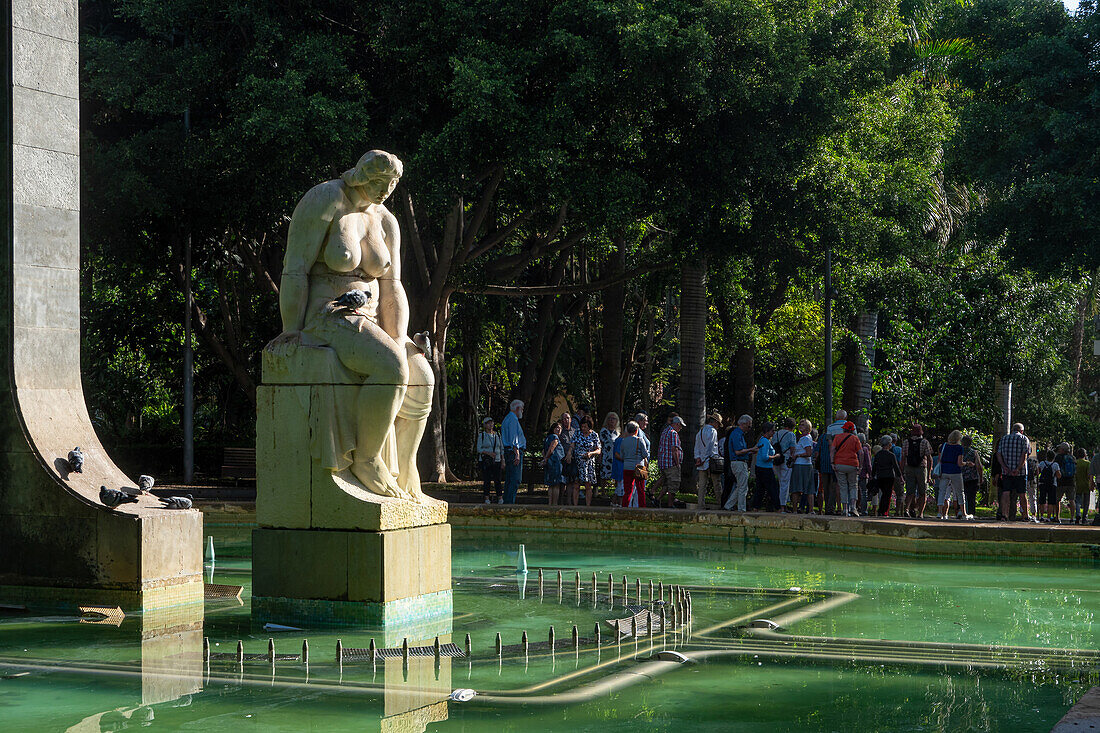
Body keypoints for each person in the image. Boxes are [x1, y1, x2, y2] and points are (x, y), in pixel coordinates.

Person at [723, 415, 756, 511]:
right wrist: (751, 449)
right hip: (739, 462)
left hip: (739, 462)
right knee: (743, 488)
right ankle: (742, 509)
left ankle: (728, 505)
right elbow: (738, 451)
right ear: (744, 424)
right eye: (749, 426)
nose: (749, 428)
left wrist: (750, 451)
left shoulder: (738, 434)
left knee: (740, 486)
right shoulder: (737, 434)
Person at [997, 423, 1030, 521]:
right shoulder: (1024, 439)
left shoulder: (1004, 439)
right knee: (1022, 493)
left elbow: (998, 454)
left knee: (1006, 492)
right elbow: (1024, 455)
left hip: (1006, 471)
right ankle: (1025, 515)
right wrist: (1018, 468)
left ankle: (1004, 514)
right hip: (1020, 472)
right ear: (1021, 431)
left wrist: (1004, 467)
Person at [901, 424, 933, 518]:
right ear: (921, 432)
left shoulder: (906, 442)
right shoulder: (924, 442)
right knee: (922, 492)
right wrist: (929, 474)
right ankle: (920, 513)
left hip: (909, 468)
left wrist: (902, 471)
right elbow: (929, 458)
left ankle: (907, 509)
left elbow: (903, 458)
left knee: (910, 491)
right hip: (921, 467)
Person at [936, 430, 969, 520]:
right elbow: (959, 463)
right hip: (955, 471)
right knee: (960, 492)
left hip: (944, 471)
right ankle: (964, 513)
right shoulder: (959, 448)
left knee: (942, 492)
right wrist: (966, 463)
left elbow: (940, 460)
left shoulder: (943, 446)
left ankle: (939, 512)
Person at [830, 421, 861, 516]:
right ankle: (853, 507)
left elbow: (832, 450)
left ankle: (845, 509)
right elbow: (861, 452)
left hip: (839, 464)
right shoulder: (855, 438)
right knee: (853, 485)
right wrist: (861, 465)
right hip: (852, 464)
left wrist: (832, 462)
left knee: (843, 486)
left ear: (843, 429)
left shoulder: (837, 437)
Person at [617, 421, 650, 507]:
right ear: (636, 430)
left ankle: (625, 507)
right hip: (639, 468)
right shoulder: (640, 440)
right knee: (640, 490)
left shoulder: (623, 441)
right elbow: (645, 454)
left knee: (628, 490)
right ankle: (642, 507)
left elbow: (622, 455)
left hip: (627, 468)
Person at [695, 411, 723, 509]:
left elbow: (697, 446)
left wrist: (698, 458)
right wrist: (704, 458)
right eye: (718, 424)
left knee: (702, 485)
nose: (718, 426)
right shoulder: (713, 431)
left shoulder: (701, 431)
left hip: (701, 463)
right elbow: (710, 447)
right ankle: (721, 503)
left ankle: (700, 504)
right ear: (714, 422)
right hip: (711, 461)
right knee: (717, 484)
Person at [656, 416, 685, 507]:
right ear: (677, 424)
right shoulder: (673, 433)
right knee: (673, 484)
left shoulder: (665, 431)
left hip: (664, 462)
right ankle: (670, 505)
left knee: (667, 484)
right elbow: (674, 449)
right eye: (680, 426)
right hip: (671, 463)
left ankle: (657, 499)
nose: (680, 428)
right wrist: (677, 463)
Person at [501, 400, 526, 503]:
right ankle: (509, 503)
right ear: (517, 408)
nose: (523, 411)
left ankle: (507, 502)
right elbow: (513, 438)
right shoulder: (512, 420)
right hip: (513, 452)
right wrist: (517, 453)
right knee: (515, 479)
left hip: (509, 451)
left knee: (510, 478)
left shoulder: (507, 418)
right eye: (522, 408)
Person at [573, 416, 601, 506]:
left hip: (589, 462)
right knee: (576, 484)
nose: (583, 428)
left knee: (588, 484)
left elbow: (599, 450)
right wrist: (570, 453)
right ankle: (575, 505)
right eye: (582, 426)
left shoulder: (594, 435)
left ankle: (588, 505)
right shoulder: (577, 433)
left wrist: (591, 453)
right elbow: (572, 445)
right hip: (578, 462)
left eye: (585, 426)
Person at [790, 419, 816, 513]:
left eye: (803, 425)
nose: (800, 426)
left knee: (797, 488)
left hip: (801, 465)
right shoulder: (805, 438)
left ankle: (795, 509)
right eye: (800, 424)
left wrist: (798, 455)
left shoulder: (805, 438)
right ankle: (810, 510)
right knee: (808, 488)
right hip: (805, 465)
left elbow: (809, 453)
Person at [476, 417, 504, 504]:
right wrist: (488, 453)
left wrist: (503, 460)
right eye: (488, 423)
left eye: (491, 423)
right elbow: (479, 449)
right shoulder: (482, 435)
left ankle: (500, 497)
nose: (490, 425)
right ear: (485, 425)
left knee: (497, 480)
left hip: (497, 460)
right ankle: (486, 497)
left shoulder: (497, 435)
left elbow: (501, 448)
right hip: (487, 461)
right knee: (487, 479)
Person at [873, 435, 902, 516]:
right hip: (889, 476)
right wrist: (900, 477)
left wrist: (873, 475)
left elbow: (874, 466)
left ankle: (881, 510)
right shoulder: (891, 455)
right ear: (889, 444)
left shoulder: (878, 455)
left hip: (880, 476)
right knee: (887, 494)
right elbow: (896, 467)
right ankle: (883, 510)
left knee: (883, 493)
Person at [754, 422, 780, 511]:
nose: (773, 433)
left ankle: (756, 507)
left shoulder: (762, 440)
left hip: (760, 467)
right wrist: (775, 456)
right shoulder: (765, 441)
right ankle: (778, 507)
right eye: (772, 431)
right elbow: (765, 457)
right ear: (767, 431)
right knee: (773, 489)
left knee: (760, 489)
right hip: (765, 469)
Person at [773, 418, 798, 511]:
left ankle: (779, 504)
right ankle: (782, 505)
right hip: (786, 461)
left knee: (779, 482)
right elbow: (792, 449)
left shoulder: (776, 433)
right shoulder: (791, 435)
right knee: (785, 483)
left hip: (776, 460)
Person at [540, 421, 565, 505]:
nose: (559, 429)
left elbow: (543, 450)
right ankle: (554, 504)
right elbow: (551, 448)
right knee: (556, 484)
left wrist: (545, 459)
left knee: (550, 484)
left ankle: (550, 503)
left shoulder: (547, 437)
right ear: (553, 429)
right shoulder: (555, 437)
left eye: (560, 428)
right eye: (557, 428)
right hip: (555, 462)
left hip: (549, 463)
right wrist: (546, 458)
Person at [599, 413, 621, 498]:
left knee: (616, 474)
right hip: (606, 456)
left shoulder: (618, 432)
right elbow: (600, 444)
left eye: (614, 419)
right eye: (610, 418)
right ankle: (603, 492)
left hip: (615, 456)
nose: (611, 420)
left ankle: (616, 493)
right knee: (604, 474)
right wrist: (600, 457)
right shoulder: (603, 431)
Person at [1037, 450, 1062, 522]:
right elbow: (1059, 475)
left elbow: (1037, 472)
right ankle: (1048, 517)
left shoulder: (1042, 463)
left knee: (1042, 501)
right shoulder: (1055, 465)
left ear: (1046, 456)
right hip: (1052, 484)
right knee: (1051, 502)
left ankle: (1041, 516)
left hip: (1043, 484)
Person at [1054, 442, 1076, 524]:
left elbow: (1056, 469)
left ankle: (1057, 517)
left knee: (1057, 500)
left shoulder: (1058, 458)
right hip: (1071, 481)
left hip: (1061, 482)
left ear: (1062, 449)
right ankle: (1072, 518)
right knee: (1071, 500)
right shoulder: (1072, 458)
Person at [960, 435, 982, 518]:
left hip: (960, 476)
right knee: (971, 496)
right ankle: (971, 512)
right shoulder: (974, 452)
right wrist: (981, 477)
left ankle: (960, 511)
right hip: (972, 477)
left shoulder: (959, 451)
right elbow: (979, 466)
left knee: (961, 495)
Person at [559, 413, 579, 504]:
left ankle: (569, 501)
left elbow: (576, 444)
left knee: (571, 481)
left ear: (571, 419)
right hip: (562, 458)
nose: (566, 420)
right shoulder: (560, 431)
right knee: (562, 482)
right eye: (564, 418)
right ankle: (561, 500)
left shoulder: (575, 431)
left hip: (572, 458)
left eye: (567, 418)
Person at [1073, 447, 1090, 524]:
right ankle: (1084, 517)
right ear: (1085, 454)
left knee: (1077, 501)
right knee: (1086, 502)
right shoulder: (1087, 463)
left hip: (1077, 484)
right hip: (1086, 484)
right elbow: (1089, 475)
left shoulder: (1075, 463)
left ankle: (1078, 514)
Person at [857, 433, 872, 515]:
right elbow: (868, 463)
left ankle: (853, 508)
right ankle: (864, 510)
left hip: (855, 473)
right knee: (863, 493)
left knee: (854, 491)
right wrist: (870, 474)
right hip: (863, 474)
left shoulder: (854, 448)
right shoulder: (865, 449)